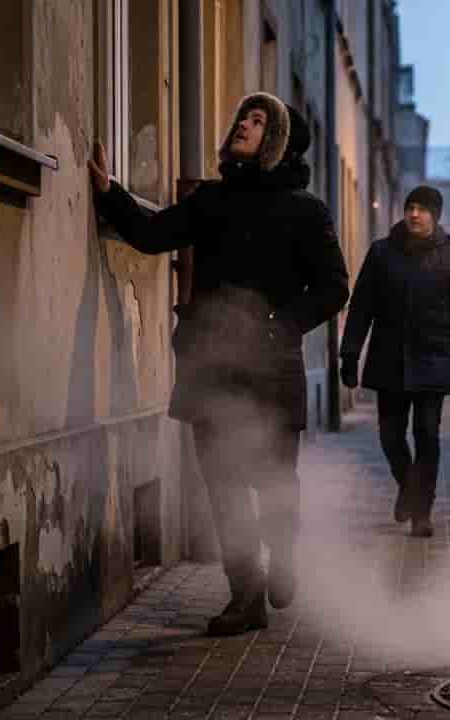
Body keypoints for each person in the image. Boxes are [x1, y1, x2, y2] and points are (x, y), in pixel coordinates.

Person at [88, 93, 349, 636]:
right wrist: (110, 194)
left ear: (274, 141)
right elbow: (152, 234)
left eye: (257, 122)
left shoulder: (305, 210)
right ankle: (245, 598)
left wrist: (279, 323)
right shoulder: (212, 201)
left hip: (272, 369)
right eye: (241, 118)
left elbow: (332, 289)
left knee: (275, 479)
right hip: (211, 368)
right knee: (224, 489)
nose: (243, 126)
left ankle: (283, 554)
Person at [339, 185, 450, 538]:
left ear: (435, 215)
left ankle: (423, 512)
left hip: (432, 361)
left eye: (422, 209)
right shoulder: (381, 254)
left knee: (427, 436)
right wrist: (349, 354)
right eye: (410, 208)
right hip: (388, 361)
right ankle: (408, 485)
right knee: (390, 437)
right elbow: (361, 308)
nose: (414, 214)